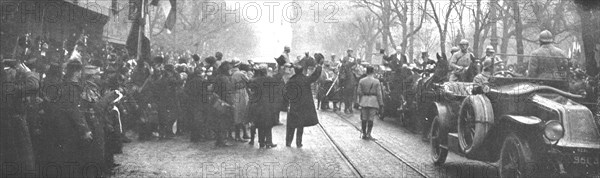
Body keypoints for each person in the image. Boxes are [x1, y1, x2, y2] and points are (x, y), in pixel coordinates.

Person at [285, 60, 323, 148]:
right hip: (303, 106)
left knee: (291, 125)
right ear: (302, 71)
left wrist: (287, 103)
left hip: (293, 105)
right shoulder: (305, 79)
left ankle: (288, 142)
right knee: (300, 125)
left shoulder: (291, 81)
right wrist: (319, 66)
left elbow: (286, 93)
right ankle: (299, 143)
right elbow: (315, 76)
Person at [248, 64, 281, 148]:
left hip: (258, 104)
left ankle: (261, 142)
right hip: (268, 104)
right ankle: (269, 142)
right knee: (268, 124)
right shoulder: (270, 79)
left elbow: (250, 87)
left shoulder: (255, 80)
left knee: (260, 123)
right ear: (266, 71)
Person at [357, 66, 383, 140]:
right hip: (373, 101)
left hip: (364, 100)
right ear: (373, 72)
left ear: (366, 72)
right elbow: (379, 93)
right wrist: (381, 103)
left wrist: (361, 99)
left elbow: (358, 92)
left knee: (364, 118)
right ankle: (369, 133)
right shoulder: (376, 81)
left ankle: (364, 134)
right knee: (371, 118)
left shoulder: (362, 80)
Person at [230, 60, 250, 142]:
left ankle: (243, 134)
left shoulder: (230, 73)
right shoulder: (240, 74)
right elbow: (249, 81)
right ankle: (239, 136)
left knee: (237, 114)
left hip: (234, 94)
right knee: (242, 113)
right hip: (241, 93)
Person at [340, 49, 358, 114]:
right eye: (349, 51)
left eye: (351, 51)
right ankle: (341, 85)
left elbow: (356, 64)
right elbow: (342, 64)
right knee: (342, 77)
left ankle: (350, 106)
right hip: (345, 71)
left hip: (352, 71)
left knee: (356, 76)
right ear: (347, 52)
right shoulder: (345, 58)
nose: (350, 53)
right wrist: (344, 65)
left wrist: (353, 67)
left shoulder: (354, 58)